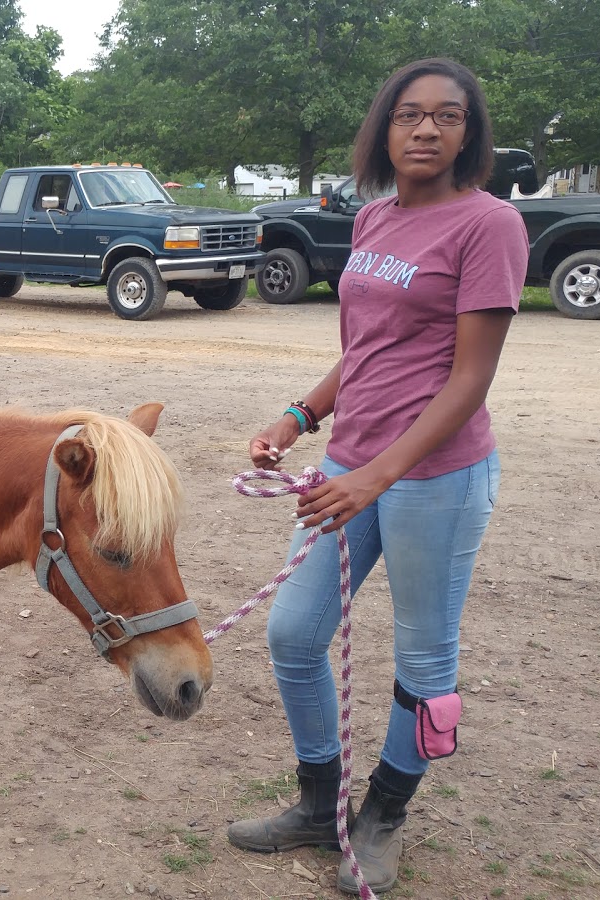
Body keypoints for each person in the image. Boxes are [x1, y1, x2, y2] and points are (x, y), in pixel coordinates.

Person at [226, 58, 528, 895]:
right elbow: (364, 352)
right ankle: (320, 804)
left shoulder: (489, 225)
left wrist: (378, 478)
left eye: (447, 117)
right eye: (409, 115)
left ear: (470, 133)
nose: (426, 129)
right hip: (350, 462)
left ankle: (385, 815)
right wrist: (298, 417)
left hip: (437, 475)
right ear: (384, 129)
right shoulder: (374, 220)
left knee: (426, 658)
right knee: (292, 633)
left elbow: (470, 380)